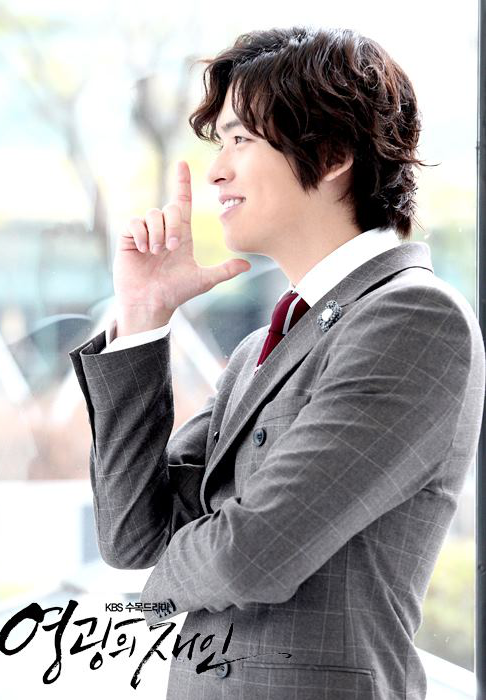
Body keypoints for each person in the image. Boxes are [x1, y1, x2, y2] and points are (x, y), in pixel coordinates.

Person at [69, 25, 486, 700]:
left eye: (241, 139)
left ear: (332, 153)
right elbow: (133, 536)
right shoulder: (262, 349)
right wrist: (144, 318)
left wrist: (143, 600)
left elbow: (251, 554)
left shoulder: (412, 317)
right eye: (219, 142)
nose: (216, 170)